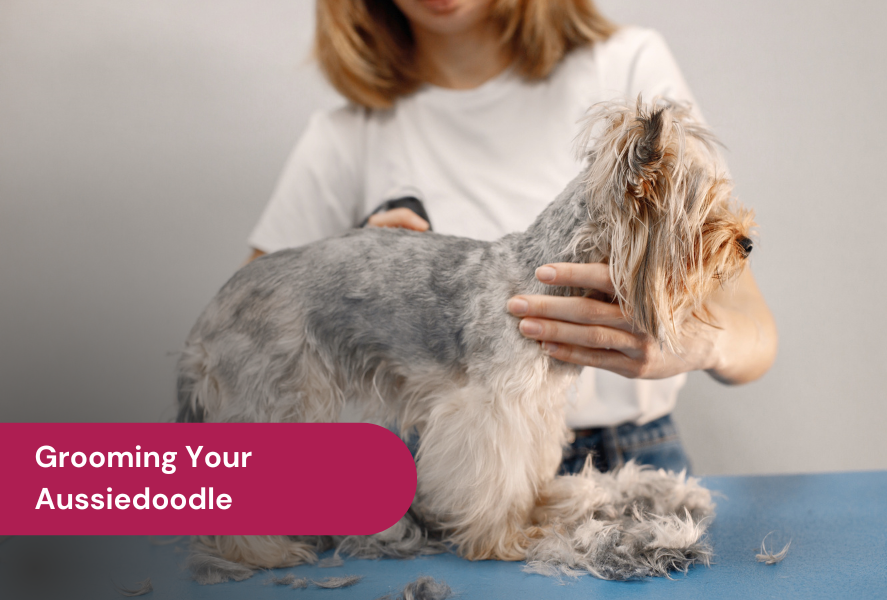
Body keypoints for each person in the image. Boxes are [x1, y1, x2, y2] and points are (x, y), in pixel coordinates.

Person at [245, 0, 777, 475]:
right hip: (438, 469)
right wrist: (343, 273)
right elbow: (249, 351)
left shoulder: (625, 66)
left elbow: (755, 334)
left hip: (628, 457)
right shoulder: (346, 134)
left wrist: (697, 342)